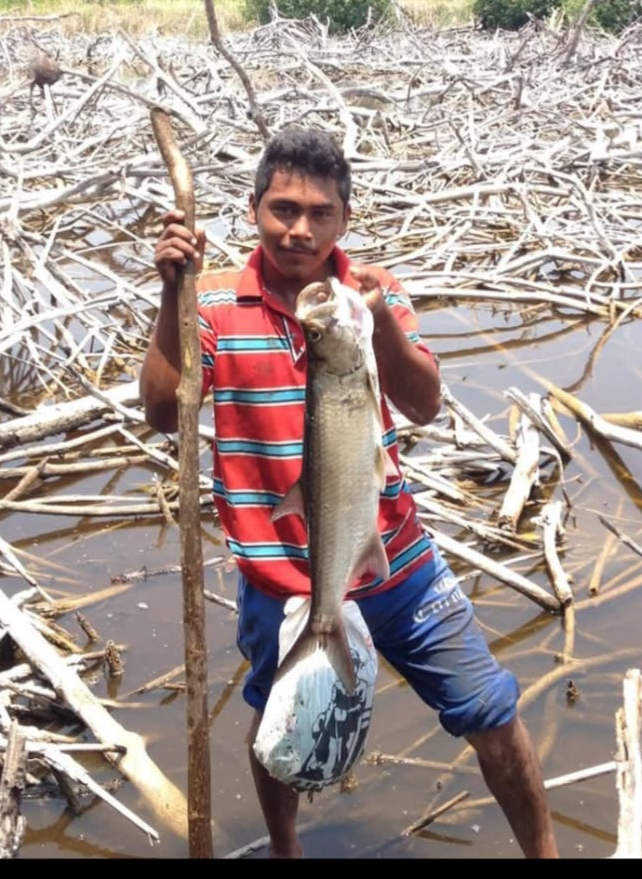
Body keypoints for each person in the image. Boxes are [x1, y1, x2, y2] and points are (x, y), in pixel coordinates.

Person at [140, 127, 559, 859]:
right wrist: (170, 291)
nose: (299, 229)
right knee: (279, 727)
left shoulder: (372, 292)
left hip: (396, 558)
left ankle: (545, 854)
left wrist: (380, 326)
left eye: (319, 213)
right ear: (252, 210)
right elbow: (159, 412)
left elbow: (424, 404)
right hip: (279, 575)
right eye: (282, 209)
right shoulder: (207, 303)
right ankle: (287, 849)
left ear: (344, 219)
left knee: (490, 712)